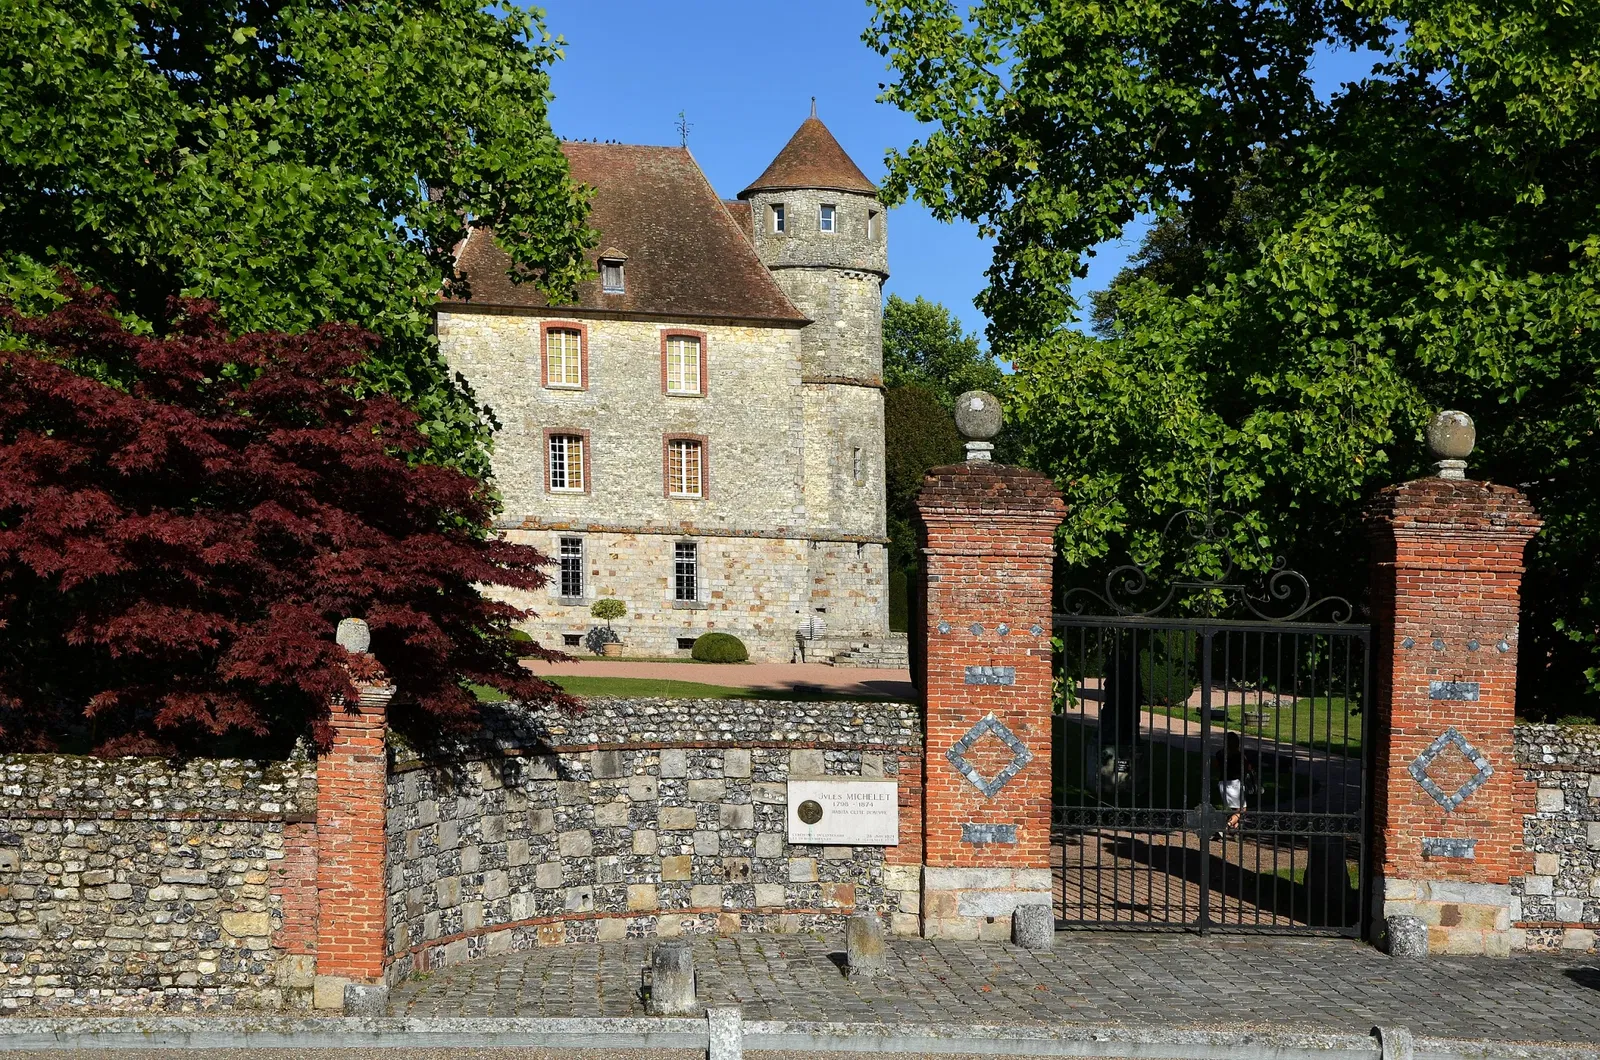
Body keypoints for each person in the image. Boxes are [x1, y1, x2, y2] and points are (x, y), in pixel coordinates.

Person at [1212, 732, 1254, 839]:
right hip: (1235, 783)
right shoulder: (1239, 755)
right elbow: (1247, 768)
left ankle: (1236, 830)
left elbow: (1216, 766)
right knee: (1242, 809)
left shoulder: (1220, 754)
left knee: (1235, 809)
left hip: (1223, 783)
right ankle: (1225, 827)